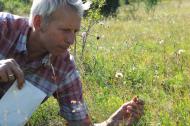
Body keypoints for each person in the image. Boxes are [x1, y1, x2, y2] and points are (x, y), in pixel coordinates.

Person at [0, 0, 144, 125]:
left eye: (75, 31)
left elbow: (80, 124)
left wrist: (112, 122)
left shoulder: (63, 67)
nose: (71, 40)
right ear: (39, 22)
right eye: (65, 30)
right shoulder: (3, 26)